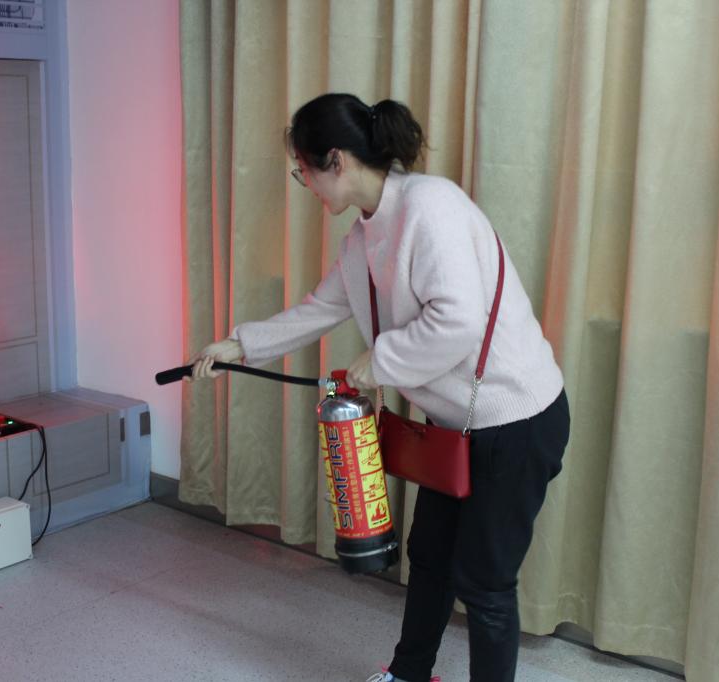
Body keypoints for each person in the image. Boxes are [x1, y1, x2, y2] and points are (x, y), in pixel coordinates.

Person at [187, 93, 570, 682]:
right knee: (430, 559)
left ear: (335, 160)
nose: (306, 185)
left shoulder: (431, 207)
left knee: (486, 584)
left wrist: (379, 361)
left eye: (304, 171)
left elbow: (459, 322)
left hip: (515, 422)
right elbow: (320, 308)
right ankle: (409, 674)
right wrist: (238, 346)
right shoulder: (364, 237)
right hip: (457, 425)